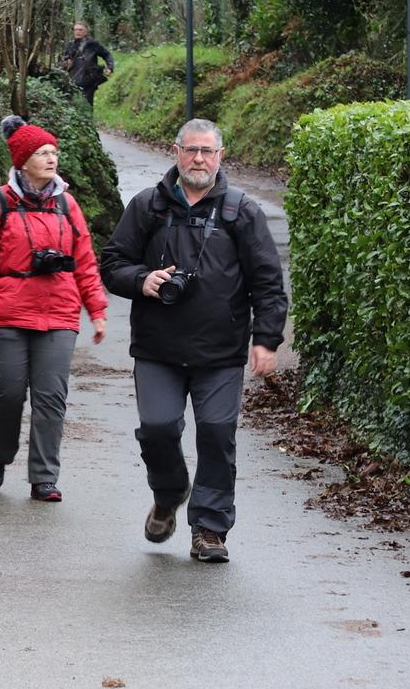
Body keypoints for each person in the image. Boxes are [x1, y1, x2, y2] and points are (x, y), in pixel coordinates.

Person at [100, 118, 287, 563]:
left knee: (218, 434)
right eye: (191, 150)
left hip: (219, 352)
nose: (199, 159)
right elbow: (112, 263)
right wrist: (142, 279)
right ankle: (169, 494)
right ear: (176, 152)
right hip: (157, 349)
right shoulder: (148, 206)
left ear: (220, 156)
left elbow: (267, 282)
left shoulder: (242, 212)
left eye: (207, 151)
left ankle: (209, 529)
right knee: (159, 429)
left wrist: (266, 340)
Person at [0, 114, 108, 502]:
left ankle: (44, 477)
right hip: (5, 313)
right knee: (7, 391)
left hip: (58, 313)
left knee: (50, 395)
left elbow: (85, 260)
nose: (51, 158)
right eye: (42, 152)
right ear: (22, 160)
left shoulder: (67, 204)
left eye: (53, 151)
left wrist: (97, 308)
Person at [61, 20, 114, 106]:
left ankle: (87, 119)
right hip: (72, 80)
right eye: (75, 29)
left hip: (88, 80)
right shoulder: (70, 45)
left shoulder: (93, 44)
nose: (77, 32)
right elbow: (63, 60)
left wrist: (110, 67)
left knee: (87, 105)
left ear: (86, 31)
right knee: (71, 105)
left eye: (80, 29)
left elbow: (107, 54)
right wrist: (66, 64)